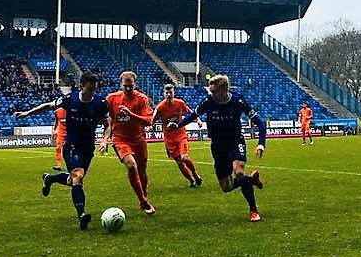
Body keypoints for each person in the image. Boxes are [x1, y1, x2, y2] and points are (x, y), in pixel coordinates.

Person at [14, 73, 109, 230]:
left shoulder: (100, 103)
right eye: (89, 89)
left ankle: (49, 179)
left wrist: (105, 140)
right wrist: (26, 113)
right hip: (71, 145)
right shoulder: (69, 99)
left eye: (94, 89)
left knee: (73, 180)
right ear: (81, 86)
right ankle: (82, 215)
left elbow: (107, 124)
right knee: (78, 176)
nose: (92, 92)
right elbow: (47, 105)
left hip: (88, 148)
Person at [168, 73, 265, 222]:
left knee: (238, 172)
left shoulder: (238, 100)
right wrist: (178, 125)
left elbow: (260, 122)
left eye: (214, 92)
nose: (210, 94)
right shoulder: (208, 101)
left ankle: (253, 210)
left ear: (224, 90)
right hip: (217, 145)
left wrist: (261, 144)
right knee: (226, 187)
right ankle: (250, 179)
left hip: (235, 141)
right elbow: (193, 115)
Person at [102, 71, 156, 215]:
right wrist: (105, 138)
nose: (127, 89)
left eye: (130, 86)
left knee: (142, 171)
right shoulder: (111, 99)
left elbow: (148, 121)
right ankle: (144, 201)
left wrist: (131, 115)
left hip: (138, 139)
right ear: (121, 84)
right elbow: (101, 114)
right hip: (120, 139)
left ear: (134, 84)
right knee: (132, 166)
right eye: (125, 86)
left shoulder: (141, 99)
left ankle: (143, 196)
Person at [152, 83, 203, 188]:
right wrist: (149, 127)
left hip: (180, 135)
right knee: (179, 162)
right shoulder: (160, 107)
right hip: (169, 139)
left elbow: (191, 112)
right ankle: (191, 181)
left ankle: (194, 173)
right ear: (164, 94)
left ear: (174, 92)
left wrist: (198, 119)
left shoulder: (180, 103)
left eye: (171, 92)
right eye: (167, 92)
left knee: (184, 157)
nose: (169, 94)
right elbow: (152, 120)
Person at [52, 105, 66, 172]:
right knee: (58, 148)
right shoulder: (57, 111)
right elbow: (56, 121)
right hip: (61, 133)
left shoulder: (72, 110)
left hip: (71, 133)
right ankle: (58, 165)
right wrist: (54, 130)